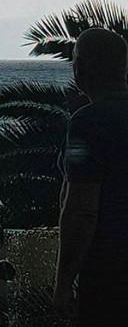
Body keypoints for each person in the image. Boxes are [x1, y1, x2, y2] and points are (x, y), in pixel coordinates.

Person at [54, 27, 128, 326]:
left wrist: (63, 283)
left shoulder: (89, 122)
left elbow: (82, 210)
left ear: (80, 67)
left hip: (109, 272)